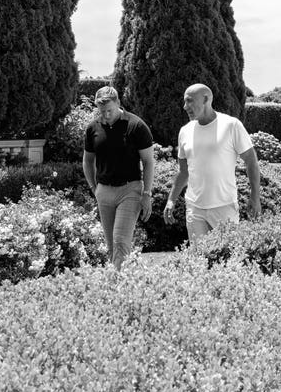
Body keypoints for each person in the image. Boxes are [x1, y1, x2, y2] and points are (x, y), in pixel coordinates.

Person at [163, 83, 260, 242]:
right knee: (198, 260)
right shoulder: (185, 131)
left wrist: (255, 197)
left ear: (206, 99)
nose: (185, 106)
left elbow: (251, 162)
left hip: (224, 207)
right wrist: (171, 200)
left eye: (190, 101)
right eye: (185, 102)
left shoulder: (231, 125)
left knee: (228, 258)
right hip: (195, 209)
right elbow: (183, 171)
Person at [83, 86, 155, 269]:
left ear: (118, 104)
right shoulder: (93, 128)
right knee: (111, 247)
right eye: (102, 111)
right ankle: (127, 281)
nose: (106, 115)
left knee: (121, 241)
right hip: (104, 191)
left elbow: (148, 162)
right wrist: (94, 188)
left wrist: (147, 194)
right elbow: (87, 161)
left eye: (110, 110)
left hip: (130, 190)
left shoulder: (136, 126)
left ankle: (116, 287)